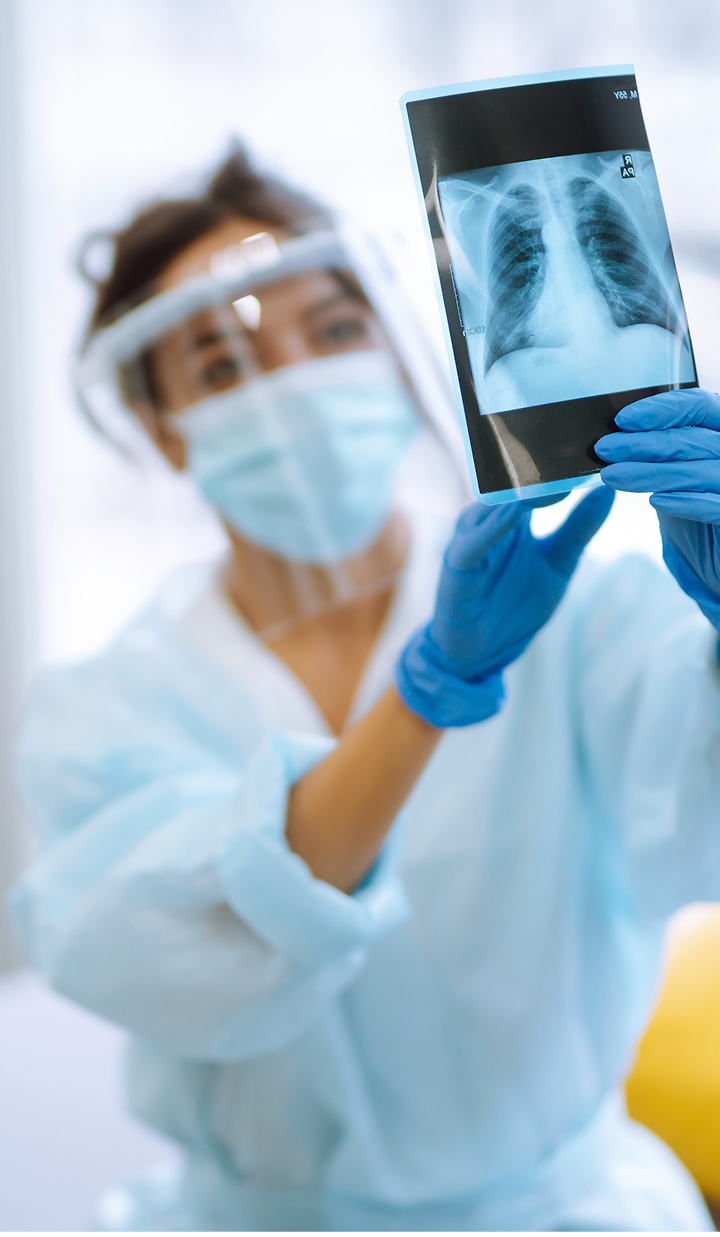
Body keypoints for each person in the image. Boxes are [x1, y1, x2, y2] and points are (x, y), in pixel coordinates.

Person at [10, 146, 720, 1233]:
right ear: (162, 427)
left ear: (394, 347)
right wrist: (436, 687)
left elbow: (702, 833)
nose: (291, 382)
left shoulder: (588, 613)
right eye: (219, 364)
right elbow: (172, 956)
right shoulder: (103, 710)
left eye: (333, 332)